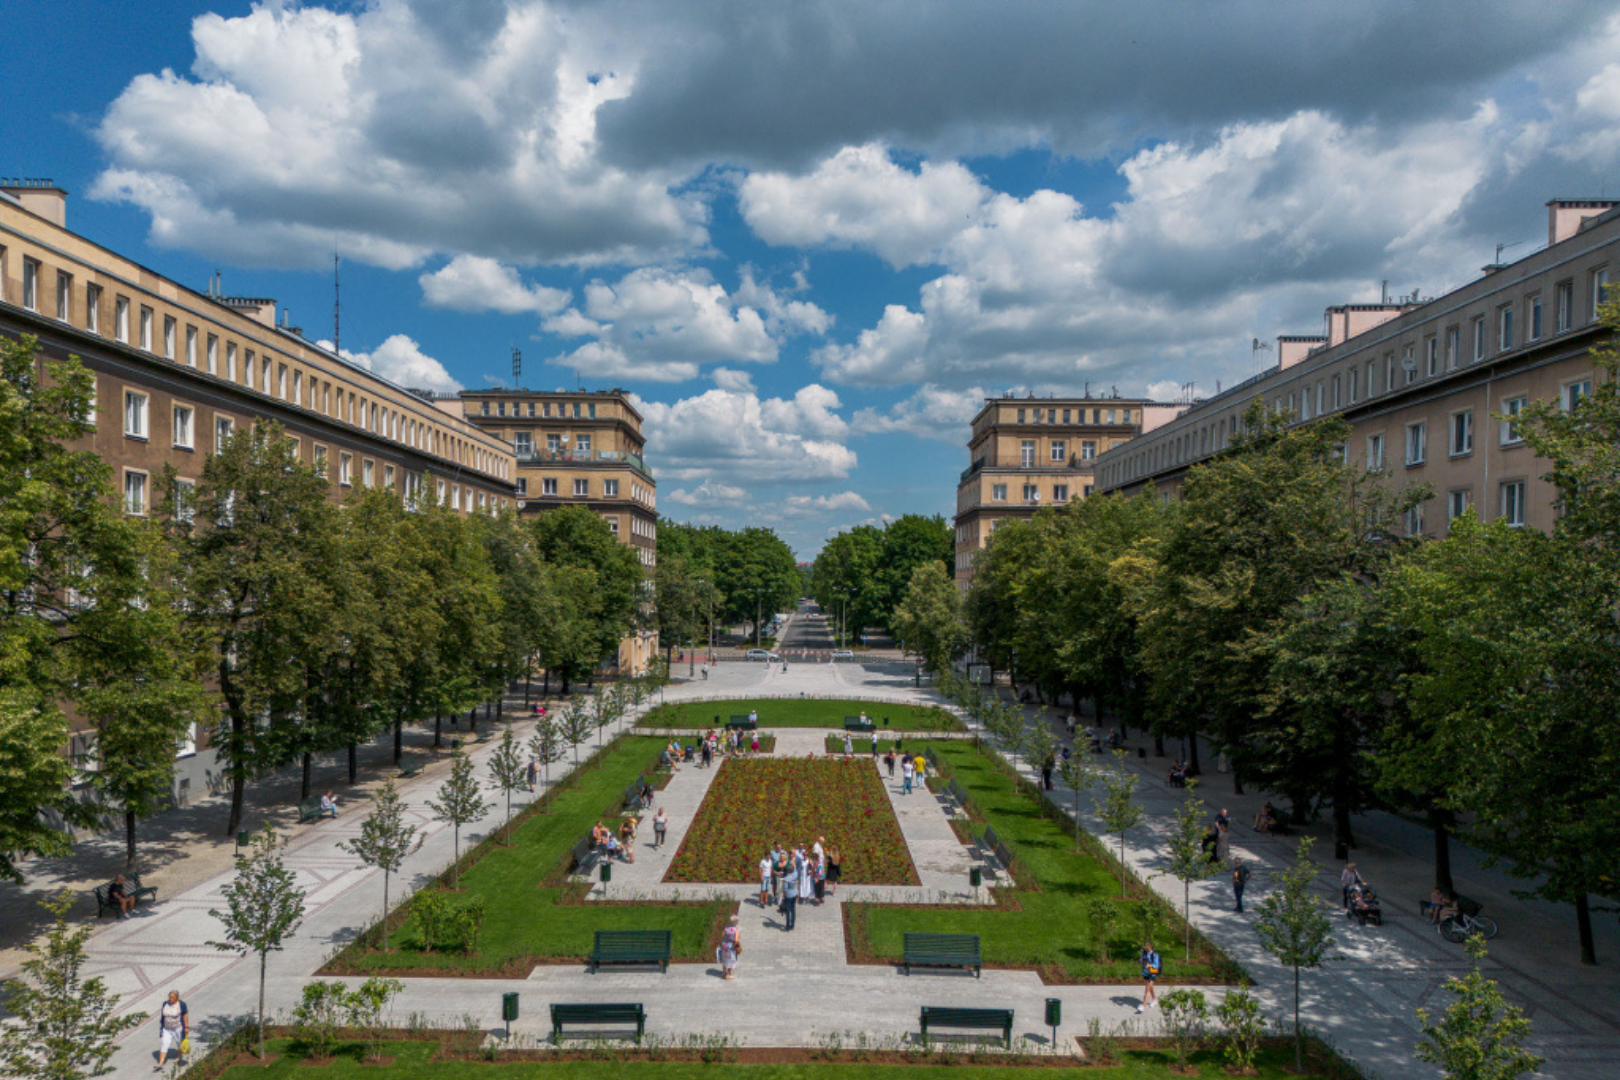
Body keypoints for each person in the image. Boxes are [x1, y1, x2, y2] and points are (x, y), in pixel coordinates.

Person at [155, 989, 188, 1070]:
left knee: (179, 1044)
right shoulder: (165, 1004)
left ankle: (178, 1057)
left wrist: (186, 1027)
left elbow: (185, 1015)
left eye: (172, 998)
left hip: (177, 1028)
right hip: (167, 1028)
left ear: (176, 997)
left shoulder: (181, 1005)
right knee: (164, 1043)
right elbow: (163, 1016)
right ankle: (161, 1063)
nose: (170, 999)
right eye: (169, 997)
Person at [1137, 941, 1161, 1013]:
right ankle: (1154, 1000)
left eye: (1148, 946)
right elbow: (1141, 960)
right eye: (1145, 946)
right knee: (1150, 987)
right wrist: (1140, 961)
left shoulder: (1154, 955)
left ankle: (1143, 1006)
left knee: (1147, 989)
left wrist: (1150, 965)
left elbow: (1157, 965)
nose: (1146, 948)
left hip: (1152, 973)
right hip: (1145, 973)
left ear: (1151, 946)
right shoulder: (1143, 952)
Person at [718, 915, 741, 979]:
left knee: (724, 959)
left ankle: (723, 973)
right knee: (730, 960)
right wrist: (738, 944)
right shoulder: (736, 929)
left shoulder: (726, 928)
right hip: (731, 947)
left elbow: (722, 935)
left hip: (724, 945)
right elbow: (736, 940)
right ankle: (728, 974)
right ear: (736, 922)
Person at [781, 860, 799, 930]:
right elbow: (794, 868)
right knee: (793, 910)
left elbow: (785, 889)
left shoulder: (786, 879)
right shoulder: (795, 874)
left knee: (787, 911)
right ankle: (793, 925)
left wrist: (783, 895)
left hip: (788, 895)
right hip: (794, 894)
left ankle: (788, 926)